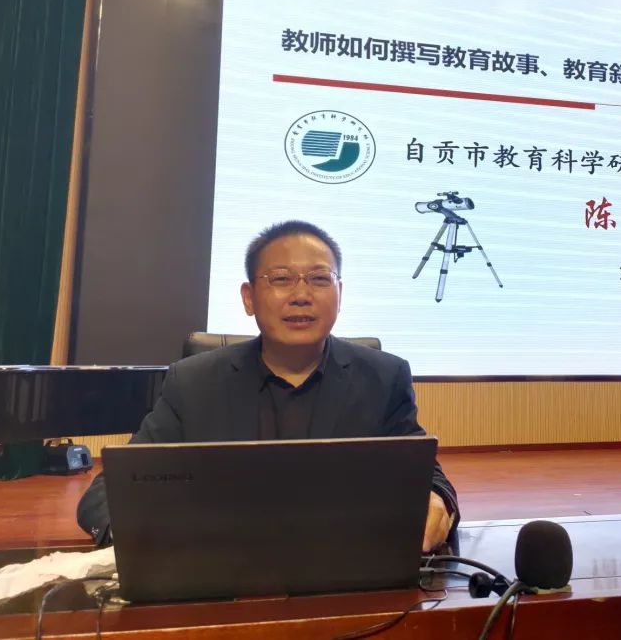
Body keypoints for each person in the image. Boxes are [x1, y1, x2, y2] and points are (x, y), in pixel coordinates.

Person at [77, 220, 458, 551]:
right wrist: (144, 543)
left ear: (340, 294)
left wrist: (437, 501)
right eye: (281, 279)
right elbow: (108, 492)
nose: (301, 296)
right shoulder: (193, 383)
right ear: (249, 298)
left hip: (344, 571)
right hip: (222, 573)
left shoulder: (384, 378)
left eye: (319, 279)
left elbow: (427, 476)